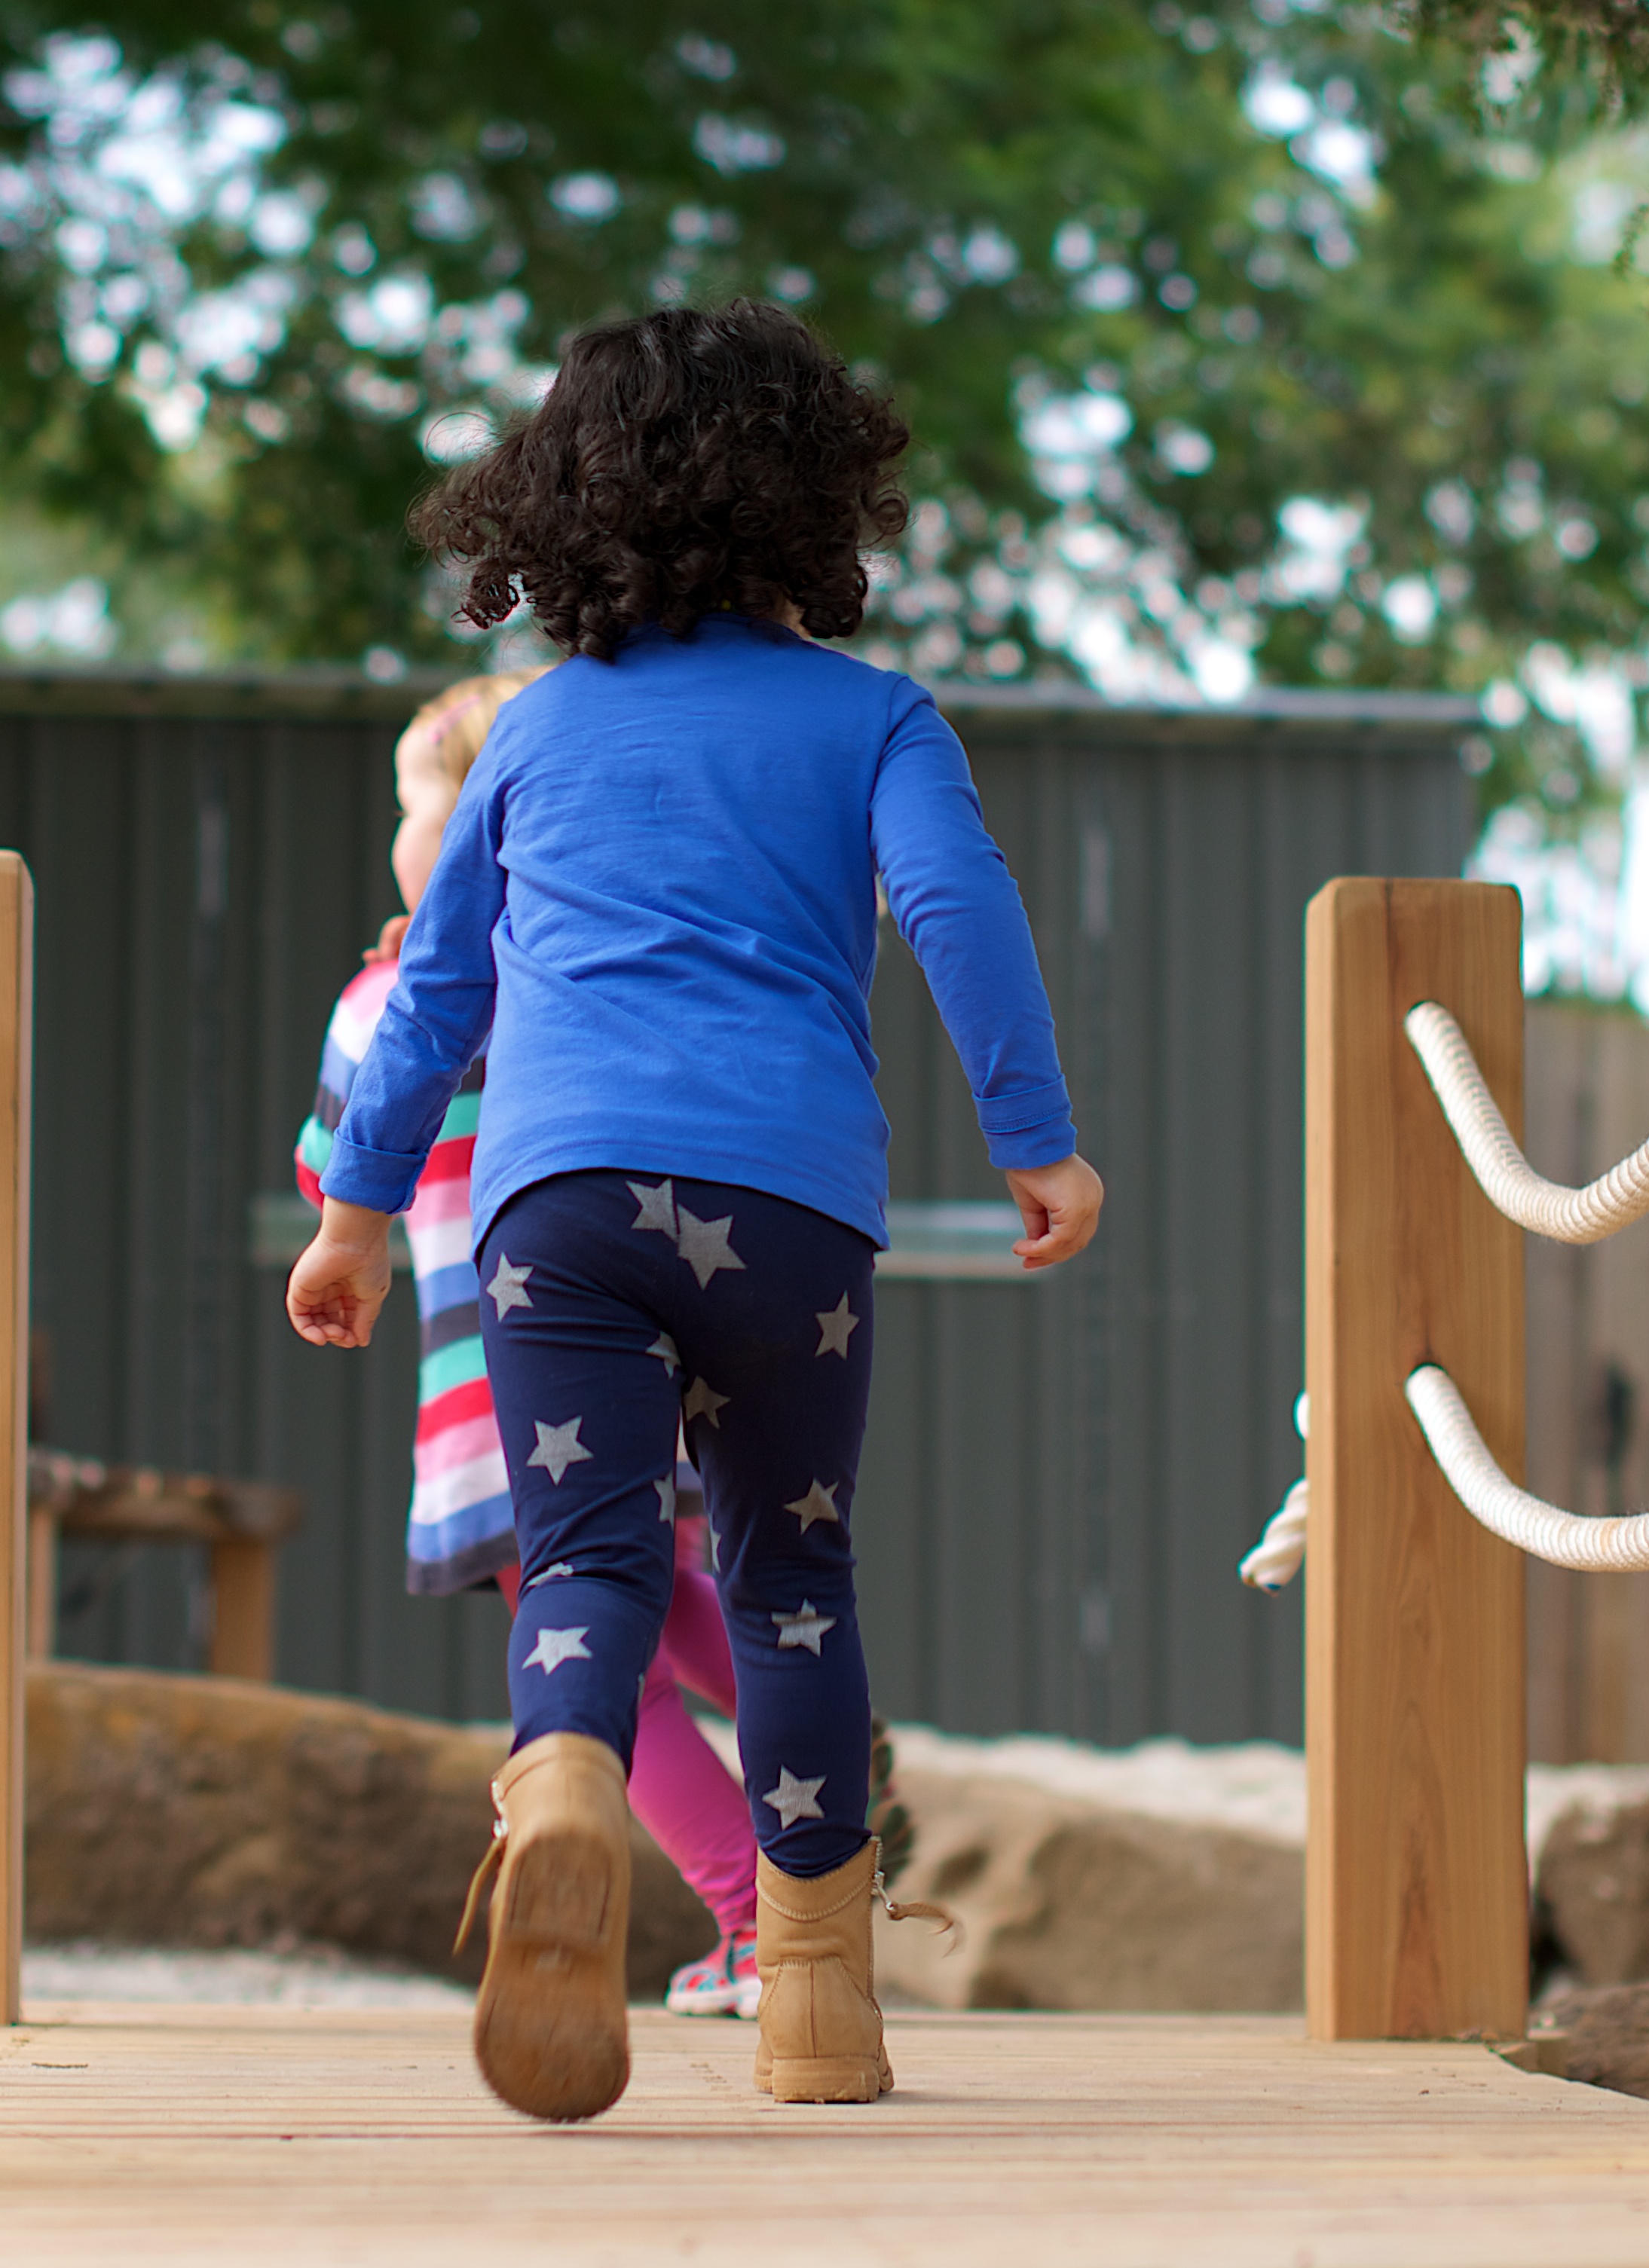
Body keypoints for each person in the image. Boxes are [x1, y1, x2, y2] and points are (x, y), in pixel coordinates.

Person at [287, 300, 1104, 2121]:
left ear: (558, 510)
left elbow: (432, 996)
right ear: (825, 503)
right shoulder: (873, 717)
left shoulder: (535, 728)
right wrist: (1033, 1139)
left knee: (584, 1558)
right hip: (789, 1208)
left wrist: (352, 1214)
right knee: (789, 1580)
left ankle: (565, 1779)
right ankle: (816, 2007)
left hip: (553, 1205)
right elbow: (958, 914)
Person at [297, 668, 774, 2017]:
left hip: (500, 1392)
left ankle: (758, 1917)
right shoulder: (608, 976)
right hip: (650, 1356)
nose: (400, 832)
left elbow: (327, 1166)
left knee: (599, 1672)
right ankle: (812, 1708)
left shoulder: (392, 996)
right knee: (672, 1596)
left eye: (413, 806)